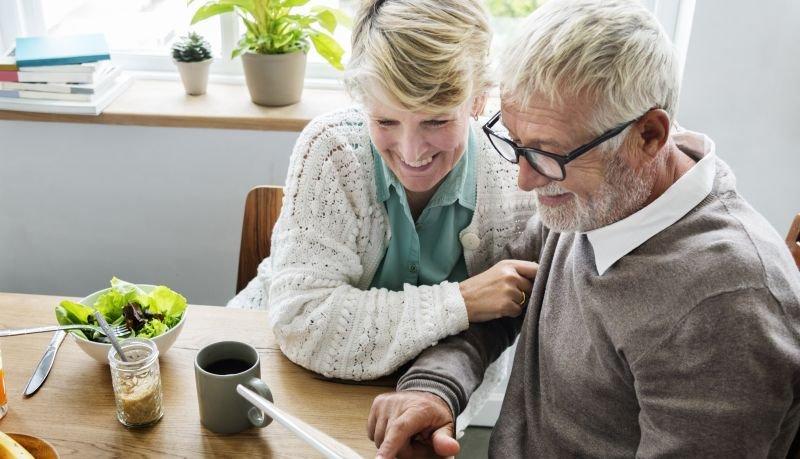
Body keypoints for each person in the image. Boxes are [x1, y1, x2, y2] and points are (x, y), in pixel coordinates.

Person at [367, 0, 800, 457]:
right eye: (515, 143)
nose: (525, 179)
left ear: (649, 136)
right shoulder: (601, 193)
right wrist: (432, 390)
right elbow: (493, 306)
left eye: (548, 154)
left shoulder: (726, 306)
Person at [227, 0, 538, 429]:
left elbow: (493, 337)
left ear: (478, 99)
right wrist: (461, 302)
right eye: (386, 120)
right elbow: (303, 321)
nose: (412, 153)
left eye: (435, 120)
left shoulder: (517, 175)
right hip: (275, 369)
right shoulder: (333, 147)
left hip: (427, 394)